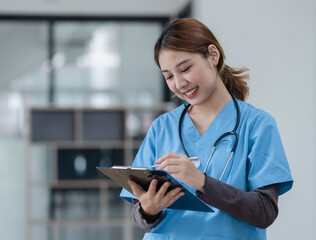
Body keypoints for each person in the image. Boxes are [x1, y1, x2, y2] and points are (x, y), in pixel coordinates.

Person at [120, 18, 293, 240]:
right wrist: (148, 210)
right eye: (169, 76)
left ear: (213, 55)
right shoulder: (162, 127)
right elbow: (139, 213)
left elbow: (264, 211)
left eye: (185, 68)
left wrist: (201, 182)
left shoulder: (257, 125)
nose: (179, 83)